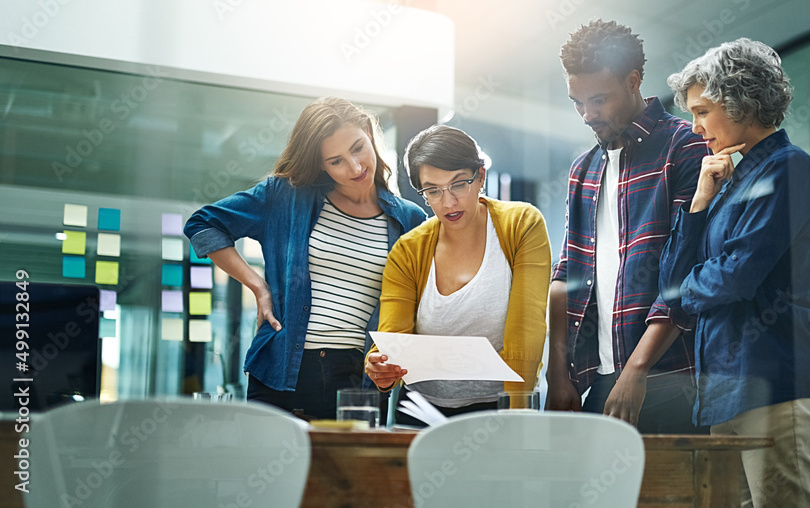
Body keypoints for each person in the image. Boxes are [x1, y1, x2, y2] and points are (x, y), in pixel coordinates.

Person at [662, 38, 810, 507]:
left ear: (740, 101)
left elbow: (735, 278)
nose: (694, 127)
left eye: (702, 112)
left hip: (778, 385)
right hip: (729, 392)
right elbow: (671, 283)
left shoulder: (788, 169)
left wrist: (688, 288)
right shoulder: (729, 185)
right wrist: (700, 204)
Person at [184, 97, 426, 419]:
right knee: (275, 468)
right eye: (336, 161)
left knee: (344, 470)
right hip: (282, 371)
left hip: (357, 377)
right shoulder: (285, 196)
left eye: (358, 148)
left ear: (369, 132)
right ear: (321, 164)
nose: (354, 168)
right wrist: (258, 287)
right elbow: (203, 224)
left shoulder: (410, 220)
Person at [546, 19, 710, 434]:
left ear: (634, 81)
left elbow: (687, 273)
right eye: (577, 102)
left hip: (670, 377)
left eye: (599, 100)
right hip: (597, 380)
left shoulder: (684, 146)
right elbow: (565, 276)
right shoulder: (583, 170)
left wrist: (637, 370)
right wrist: (558, 373)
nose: (587, 115)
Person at [364, 125, 550, 424]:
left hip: (499, 407)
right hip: (419, 410)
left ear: (481, 177)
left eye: (459, 184)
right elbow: (392, 339)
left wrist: (518, 416)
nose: (448, 202)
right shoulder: (408, 250)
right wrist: (381, 367)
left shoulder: (521, 225)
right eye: (433, 191)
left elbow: (526, 332)